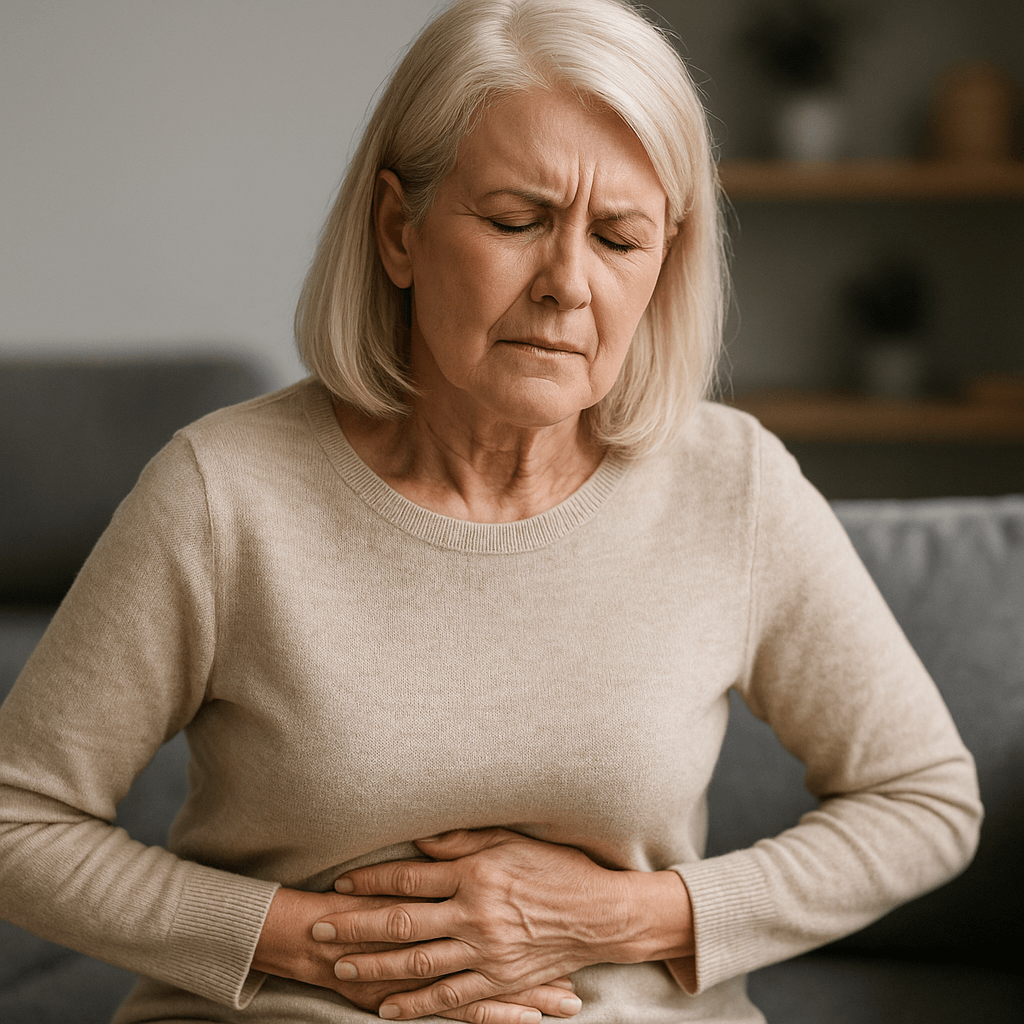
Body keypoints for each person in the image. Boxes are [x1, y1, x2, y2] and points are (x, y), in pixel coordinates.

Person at [0, 1, 981, 1022]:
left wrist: (629, 917)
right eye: (516, 220)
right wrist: (318, 943)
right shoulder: (223, 490)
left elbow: (925, 801)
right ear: (398, 231)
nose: (567, 283)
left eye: (617, 237)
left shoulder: (731, 486)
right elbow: (18, 816)